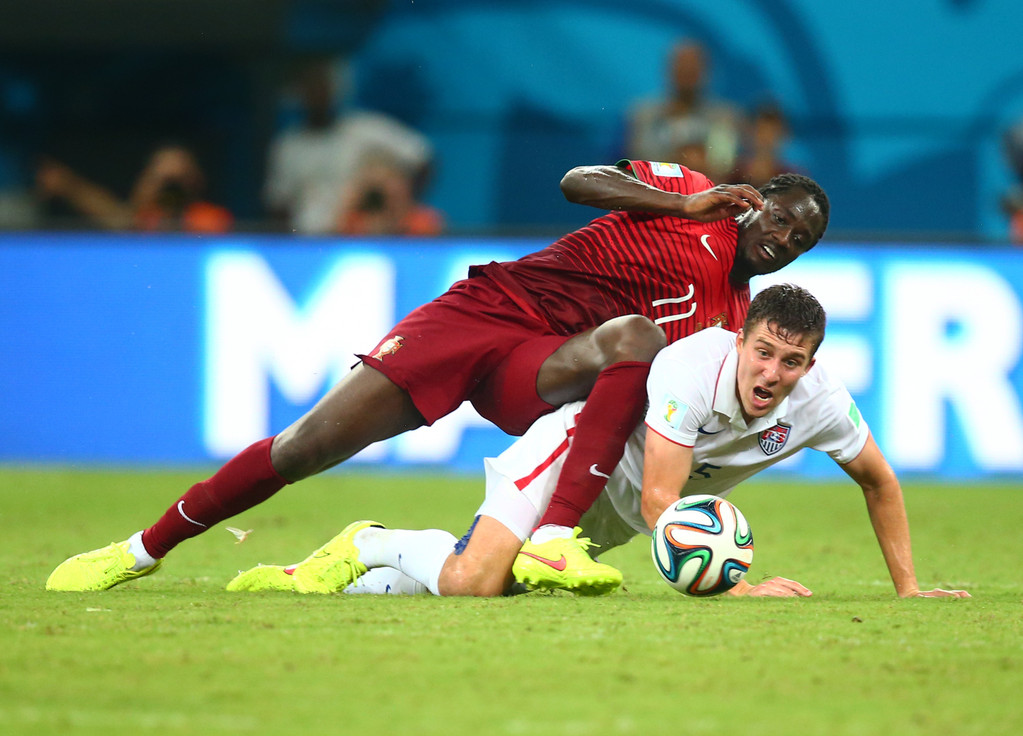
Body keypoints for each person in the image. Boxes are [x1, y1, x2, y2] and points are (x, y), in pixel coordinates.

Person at [45, 160, 829, 594]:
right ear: (753, 204)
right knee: (305, 446)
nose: (785, 238)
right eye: (780, 218)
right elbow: (576, 182)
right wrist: (681, 204)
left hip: (544, 366)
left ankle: (550, 537)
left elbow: (665, 401)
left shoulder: (732, 317)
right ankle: (141, 551)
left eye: (802, 238)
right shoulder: (687, 193)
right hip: (484, 312)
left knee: (632, 340)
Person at [226, 285, 969, 601]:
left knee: (490, 584)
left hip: (614, 520)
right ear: (740, 339)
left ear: (811, 364)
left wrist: (906, 591)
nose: (772, 373)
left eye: (791, 361)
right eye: (764, 352)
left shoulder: (821, 405)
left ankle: (359, 579)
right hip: (570, 461)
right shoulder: (691, 366)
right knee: (474, 583)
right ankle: (372, 542)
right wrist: (734, 587)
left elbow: (879, 481)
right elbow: (660, 497)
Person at [263, 59, 434, 234]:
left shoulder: (363, 128)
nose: (318, 95)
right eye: (311, 89)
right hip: (306, 238)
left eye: (323, 87)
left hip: (354, 234)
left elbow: (422, 155)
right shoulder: (288, 144)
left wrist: (401, 209)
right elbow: (278, 202)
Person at [35, 144, 233, 233]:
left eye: (178, 179)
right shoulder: (144, 219)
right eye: (163, 180)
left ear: (196, 179)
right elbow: (122, 218)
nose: (171, 189)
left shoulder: (211, 217)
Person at [625, 41, 743, 184]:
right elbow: (639, 161)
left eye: (693, 67)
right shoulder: (644, 115)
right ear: (669, 70)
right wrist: (680, 161)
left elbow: (724, 163)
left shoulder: (725, 117)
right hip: (655, 196)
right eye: (682, 66)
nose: (687, 71)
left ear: (707, 71)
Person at [336, 151, 444, 236]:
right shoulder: (355, 219)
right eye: (377, 183)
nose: (386, 189)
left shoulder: (422, 220)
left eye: (389, 179)